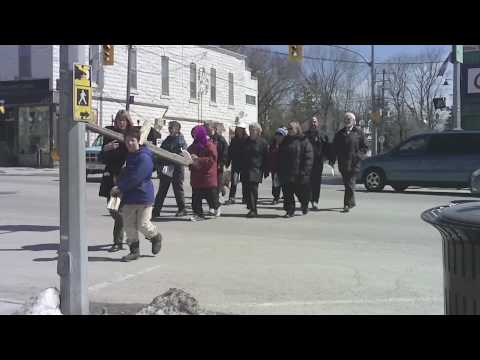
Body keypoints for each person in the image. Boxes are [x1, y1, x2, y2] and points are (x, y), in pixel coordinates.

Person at [110, 127, 162, 262]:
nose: (129, 143)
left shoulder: (144, 157)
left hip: (143, 197)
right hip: (129, 197)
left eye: (132, 140)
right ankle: (134, 251)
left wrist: (120, 187)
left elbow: (136, 177)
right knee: (128, 225)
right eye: (127, 141)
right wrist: (117, 182)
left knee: (142, 224)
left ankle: (155, 236)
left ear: (138, 140)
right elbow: (125, 173)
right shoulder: (129, 156)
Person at [98, 110, 133, 252]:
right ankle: (126, 227)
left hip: (125, 178)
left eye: (124, 120)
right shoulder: (110, 135)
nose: (121, 123)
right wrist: (106, 149)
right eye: (119, 120)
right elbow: (101, 158)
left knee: (117, 210)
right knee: (113, 209)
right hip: (111, 178)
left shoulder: (131, 136)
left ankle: (117, 242)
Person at [330, 112, 368, 213]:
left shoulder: (358, 132)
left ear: (354, 121)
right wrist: (332, 160)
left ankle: (346, 204)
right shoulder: (339, 134)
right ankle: (352, 202)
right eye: (345, 119)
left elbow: (365, 147)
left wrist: (358, 156)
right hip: (343, 163)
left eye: (349, 119)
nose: (347, 121)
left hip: (355, 163)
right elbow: (334, 148)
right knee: (348, 184)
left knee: (350, 183)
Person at [278, 121, 314, 218]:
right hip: (286, 172)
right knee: (287, 193)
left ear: (297, 129)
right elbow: (279, 156)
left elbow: (309, 157)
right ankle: (290, 210)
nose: (289, 130)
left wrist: (305, 171)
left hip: (299, 173)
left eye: (291, 128)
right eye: (288, 128)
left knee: (302, 193)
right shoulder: (284, 141)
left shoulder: (304, 141)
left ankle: (305, 204)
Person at [152, 121, 187, 218]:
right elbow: (162, 152)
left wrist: (174, 157)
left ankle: (182, 209)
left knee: (178, 190)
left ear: (178, 129)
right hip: (166, 168)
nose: (170, 129)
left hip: (177, 168)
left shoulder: (181, 140)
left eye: (172, 128)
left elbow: (183, 154)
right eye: (169, 127)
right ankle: (156, 211)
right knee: (162, 190)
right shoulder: (167, 139)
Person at [187, 125, 220, 221]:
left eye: (195, 134)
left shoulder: (209, 144)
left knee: (211, 196)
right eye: (192, 135)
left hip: (207, 176)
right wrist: (187, 158)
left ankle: (216, 206)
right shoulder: (193, 145)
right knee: (196, 197)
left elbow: (212, 159)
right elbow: (189, 155)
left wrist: (198, 159)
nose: (194, 137)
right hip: (196, 176)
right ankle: (198, 214)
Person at [240, 123, 269, 218]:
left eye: (253, 129)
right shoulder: (245, 141)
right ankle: (250, 206)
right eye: (250, 129)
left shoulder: (262, 142)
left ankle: (253, 210)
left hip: (256, 169)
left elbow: (266, 157)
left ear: (258, 131)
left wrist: (266, 170)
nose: (251, 131)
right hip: (245, 169)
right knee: (246, 190)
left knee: (253, 190)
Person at [304, 116, 331, 210]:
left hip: (318, 163)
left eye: (315, 122)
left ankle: (315, 201)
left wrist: (328, 158)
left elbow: (327, 148)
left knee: (316, 183)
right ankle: (307, 200)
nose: (313, 124)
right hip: (306, 163)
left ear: (317, 123)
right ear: (309, 124)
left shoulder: (322, 135)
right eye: (311, 122)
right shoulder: (304, 135)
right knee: (306, 182)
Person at [204, 121, 228, 210]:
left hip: (218, 167)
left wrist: (221, 163)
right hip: (208, 167)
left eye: (208, 128)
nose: (206, 130)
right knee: (209, 187)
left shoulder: (220, 139)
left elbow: (225, 152)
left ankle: (215, 205)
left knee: (215, 187)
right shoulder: (205, 139)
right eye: (205, 128)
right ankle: (212, 205)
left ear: (213, 128)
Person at [225, 124, 248, 205]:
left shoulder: (247, 139)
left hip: (245, 164)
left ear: (243, 129)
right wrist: (227, 162)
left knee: (245, 181)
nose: (238, 130)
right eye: (237, 128)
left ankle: (245, 198)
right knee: (234, 181)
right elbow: (230, 151)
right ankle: (232, 198)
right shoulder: (234, 140)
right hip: (235, 163)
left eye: (240, 129)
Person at [267, 127, 287, 205]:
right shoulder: (272, 145)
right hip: (274, 168)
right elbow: (269, 156)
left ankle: (286, 197)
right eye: (277, 135)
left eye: (280, 135)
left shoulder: (286, 145)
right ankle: (276, 197)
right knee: (275, 184)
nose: (278, 136)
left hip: (284, 168)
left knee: (284, 184)